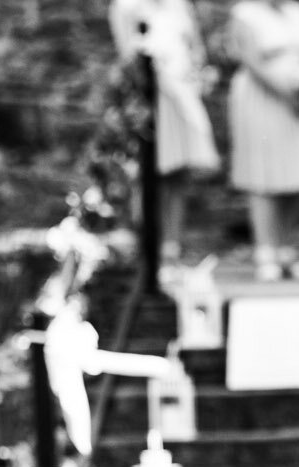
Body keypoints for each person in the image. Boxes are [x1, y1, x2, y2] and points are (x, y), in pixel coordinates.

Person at [228, 0, 299, 281]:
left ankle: (287, 248)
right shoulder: (245, 13)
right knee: (265, 174)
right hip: (263, 97)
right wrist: (287, 93)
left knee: (297, 173)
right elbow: (250, 59)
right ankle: (266, 250)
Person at [109, 0, 222, 269]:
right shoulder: (126, 6)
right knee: (149, 173)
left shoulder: (179, 4)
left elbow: (196, 49)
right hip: (150, 97)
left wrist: (197, 75)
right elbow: (127, 54)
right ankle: (148, 246)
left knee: (178, 171)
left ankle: (172, 246)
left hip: (183, 92)